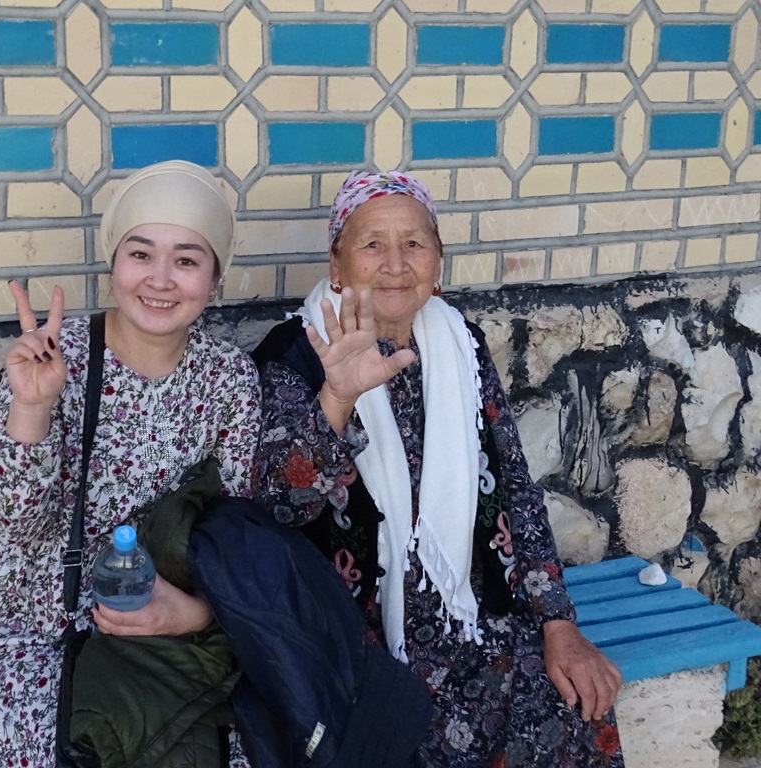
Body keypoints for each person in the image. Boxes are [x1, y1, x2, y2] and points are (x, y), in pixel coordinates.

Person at [250, 170, 624, 767]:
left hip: (469, 619)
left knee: (575, 703)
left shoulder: (461, 348)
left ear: (439, 262)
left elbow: (519, 496)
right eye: (372, 243)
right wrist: (338, 400)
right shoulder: (293, 357)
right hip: (350, 639)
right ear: (338, 264)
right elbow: (279, 507)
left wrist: (558, 624)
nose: (395, 263)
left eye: (414, 243)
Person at [0, 160, 262, 768]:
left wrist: (194, 613)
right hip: (45, 632)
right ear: (113, 263)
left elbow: (235, 540)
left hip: (174, 635)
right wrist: (32, 408)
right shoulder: (57, 356)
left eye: (186, 259)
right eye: (141, 253)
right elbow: (18, 530)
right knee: (87, 753)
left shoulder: (229, 379)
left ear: (214, 276)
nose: (160, 279)